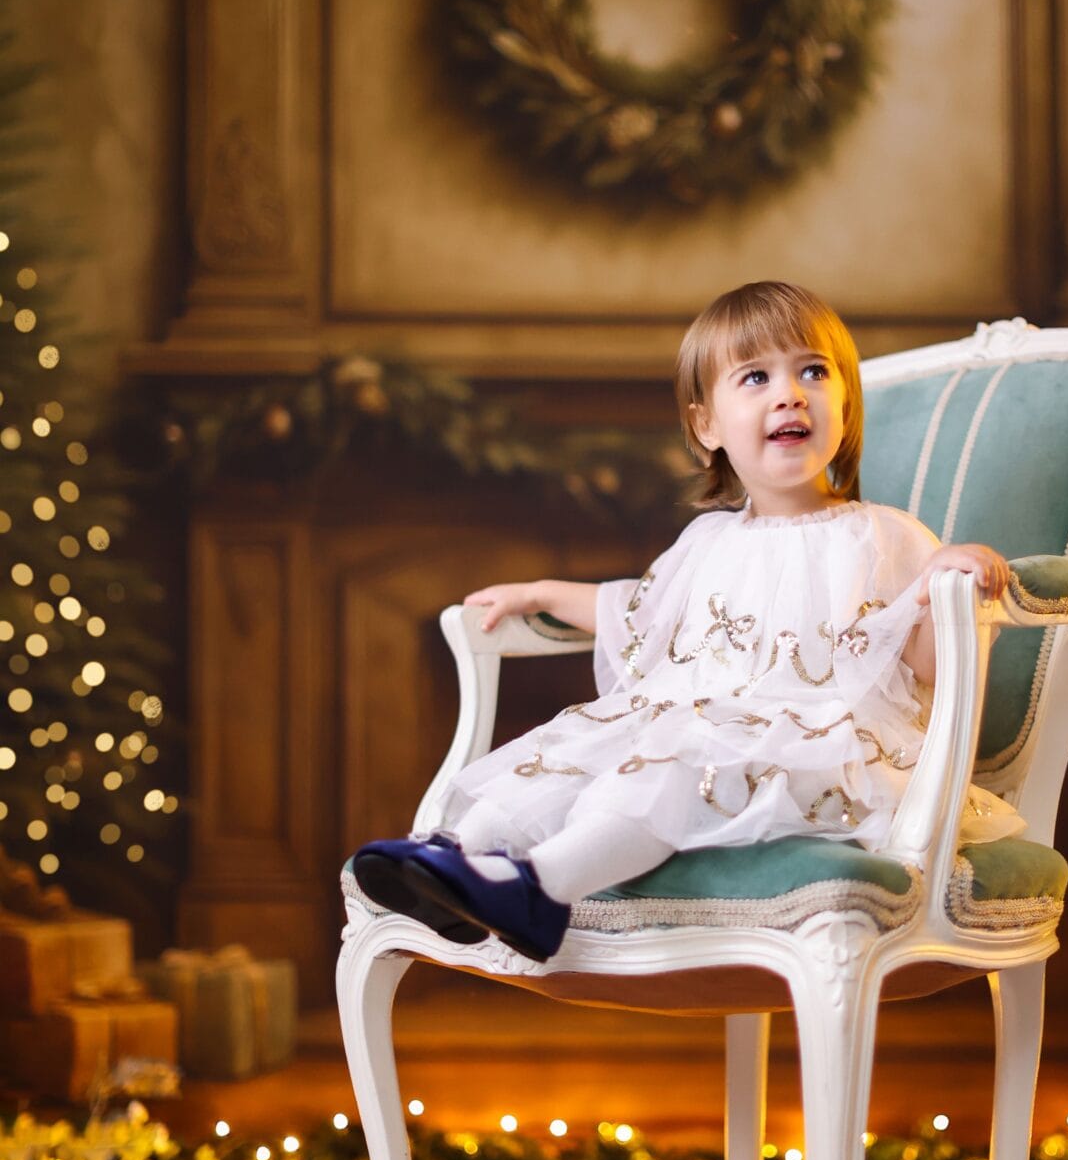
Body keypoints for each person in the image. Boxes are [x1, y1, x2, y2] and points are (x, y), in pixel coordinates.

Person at [350, 279, 1024, 963]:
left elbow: (931, 668)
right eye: (755, 376)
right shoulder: (707, 540)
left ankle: (538, 891)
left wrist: (948, 578)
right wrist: (545, 590)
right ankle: (461, 864)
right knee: (567, 758)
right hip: (692, 726)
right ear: (708, 428)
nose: (788, 392)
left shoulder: (883, 535)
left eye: (812, 372)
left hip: (811, 748)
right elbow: (641, 613)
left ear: (844, 410)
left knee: (665, 772)